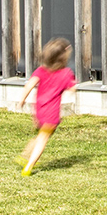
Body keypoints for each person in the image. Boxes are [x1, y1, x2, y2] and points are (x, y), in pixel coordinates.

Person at [19, 37, 75, 176]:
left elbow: (29, 85)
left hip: (39, 109)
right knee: (43, 139)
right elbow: (72, 88)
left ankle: (25, 155)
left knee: (40, 135)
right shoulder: (66, 73)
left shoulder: (41, 70)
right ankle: (29, 166)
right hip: (51, 113)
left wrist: (22, 100)